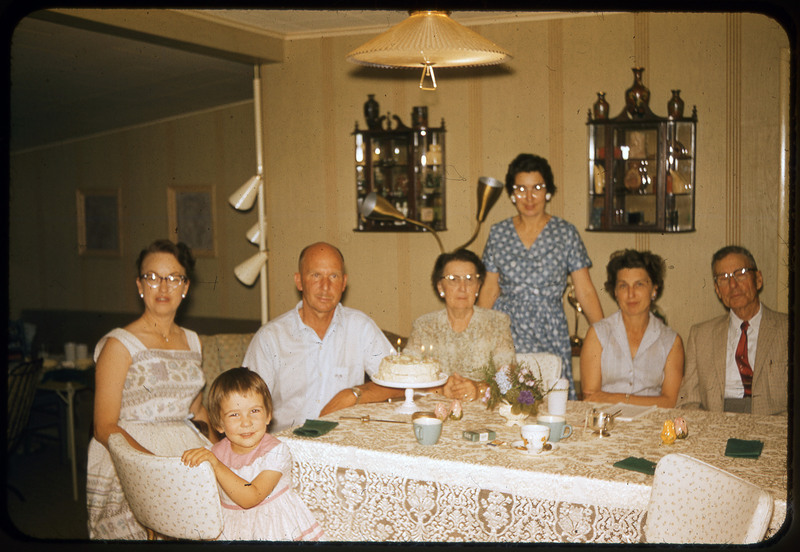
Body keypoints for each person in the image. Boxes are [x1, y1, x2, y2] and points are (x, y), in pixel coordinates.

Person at [87, 239, 214, 540]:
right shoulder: (119, 344)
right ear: (139, 284)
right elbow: (103, 426)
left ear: (185, 287)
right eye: (152, 277)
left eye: (173, 278)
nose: (163, 287)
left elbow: (196, 409)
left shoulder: (193, 341)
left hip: (183, 453)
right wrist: (152, 468)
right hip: (130, 459)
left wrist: (226, 449)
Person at [478, 153, 604, 398]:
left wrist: (606, 335)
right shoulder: (498, 233)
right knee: (508, 397)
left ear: (548, 191)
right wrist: (475, 333)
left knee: (550, 399)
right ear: (512, 194)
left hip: (550, 328)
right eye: (521, 189)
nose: (529, 197)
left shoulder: (566, 233)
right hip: (506, 329)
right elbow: (490, 289)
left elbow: (584, 290)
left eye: (537, 187)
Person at [243, 242, 401, 432]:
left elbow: (400, 382)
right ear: (299, 281)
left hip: (343, 442)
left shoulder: (360, 327)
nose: (325, 286)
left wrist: (353, 395)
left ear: (343, 283)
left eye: (333, 276)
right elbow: (244, 405)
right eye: (316, 275)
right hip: (287, 447)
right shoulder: (270, 338)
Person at [181, 368, 325, 541]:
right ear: (219, 424)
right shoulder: (215, 452)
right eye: (234, 414)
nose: (246, 422)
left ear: (268, 415)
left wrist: (216, 465)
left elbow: (251, 497)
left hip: (274, 529)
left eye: (254, 411)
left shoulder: (276, 451)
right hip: (231, 528)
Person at [677, 246, 788, 415]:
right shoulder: (700, 335)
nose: (733, 284)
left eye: (741, 273)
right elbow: (688, 403)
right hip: (717, 423)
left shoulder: (788, 330)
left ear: (758, 279)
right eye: (724, 278)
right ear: (717, 290)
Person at [404, 249, 515, 401]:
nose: (462, 287)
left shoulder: (497, 323)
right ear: (440, 287)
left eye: (469, 279)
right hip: (435, 411)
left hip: (483, 410)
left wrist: (479, 389)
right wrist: (439, 389)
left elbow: (508, 376)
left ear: (478, 286)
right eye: (453, 279)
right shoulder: (424, 326)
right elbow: (405, 376)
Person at [580, 250, 684, 407]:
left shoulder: (671, 341)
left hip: (653, 424)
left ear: (654, 289)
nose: (631, 294)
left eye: (639, 284)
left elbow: (670, 401)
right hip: (607, 423)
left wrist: (615, 398)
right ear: (615, 292)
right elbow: (591, 397)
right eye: (623, 286)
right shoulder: (597, 334)